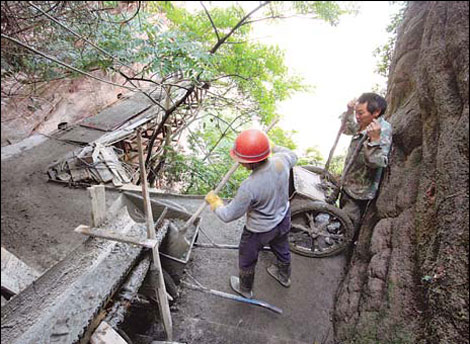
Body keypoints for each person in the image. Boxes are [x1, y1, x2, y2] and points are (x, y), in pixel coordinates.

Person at [204, 128, 298, 299]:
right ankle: (284, 276)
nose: (240, 163)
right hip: (283, 218)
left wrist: (214, 203)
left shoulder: (250, 186)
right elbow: (293, 155)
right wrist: (274, 147)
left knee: (247, 257)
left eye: (241, 160)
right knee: (282, 246)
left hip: (259, 230)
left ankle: (245, 289)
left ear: (249, 162)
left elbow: (228, 215)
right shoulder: (282, 160)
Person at [339, 92, 392, 235]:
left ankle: (339, 252)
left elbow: (377, 162)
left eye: (360, 113)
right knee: (341, 218)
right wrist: (349, 112)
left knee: (347, 225)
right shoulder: (364, 123)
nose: (357, 117)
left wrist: (374, 141)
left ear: (376, 112)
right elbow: (346, 129)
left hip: (360, 190)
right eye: (357, 112)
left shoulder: (382, 130)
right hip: (348, 183)